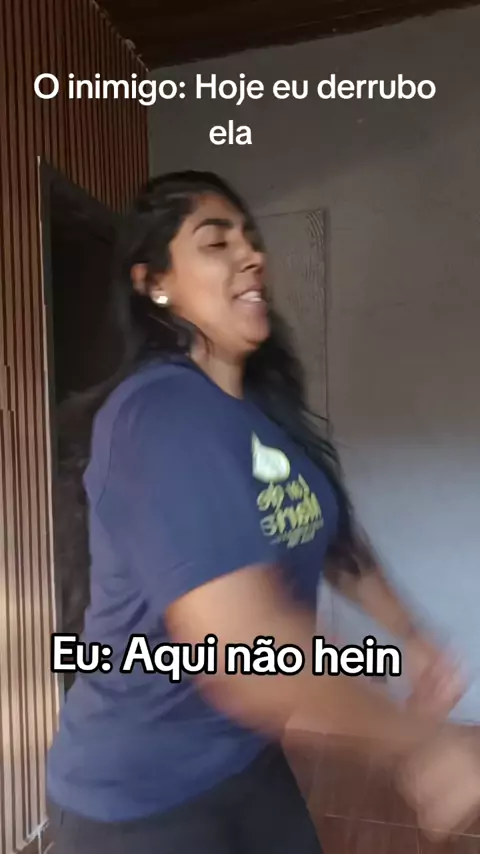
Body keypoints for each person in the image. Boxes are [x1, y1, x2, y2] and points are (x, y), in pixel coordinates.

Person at [47, 170, 480, 854]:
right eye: (216, 242)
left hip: (243, 760)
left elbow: (327, 534)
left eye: (250, 239)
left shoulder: (258, 417)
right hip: (139, 799)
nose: (251, 255)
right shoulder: (162, 414)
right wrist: (420, 742)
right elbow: (248, 657)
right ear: (154, 284)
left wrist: (412, 634)